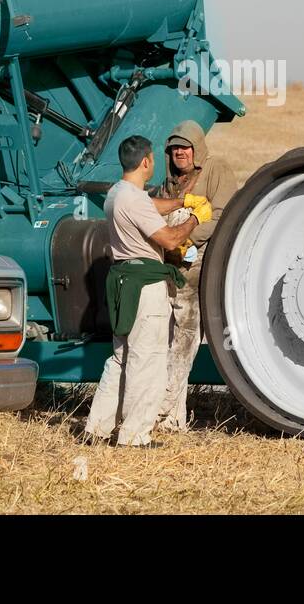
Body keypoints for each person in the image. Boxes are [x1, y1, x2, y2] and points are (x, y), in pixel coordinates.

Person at [84, 134, 211, 446]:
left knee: (121, 356)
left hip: (122, 283)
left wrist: (182, 201)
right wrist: (195, 218)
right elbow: (168, 239)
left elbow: (151, 204)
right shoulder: (135, 199)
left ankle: (97, 428)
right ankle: (135, 435)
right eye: (153, 158)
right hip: (145, 286)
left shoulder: (118, 192)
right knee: (148, 358)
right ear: (145, 162)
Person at [154, 120, 235, 431]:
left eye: (185, 146)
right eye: (174, 147)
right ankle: (164, 409)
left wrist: (189, 238)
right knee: (162, 336)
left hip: (199, 264)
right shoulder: (169, 184)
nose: (179, 152)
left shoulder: (216, 170)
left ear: (198, 148)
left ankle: (170, 414)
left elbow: (222, 213)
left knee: (185, 338)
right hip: (168, 265)